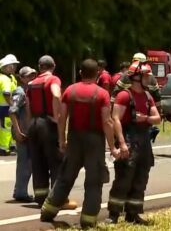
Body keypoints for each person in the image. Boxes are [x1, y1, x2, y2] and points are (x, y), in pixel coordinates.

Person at [40, 59, 115, 229]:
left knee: (65, 177)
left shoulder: (70, 90)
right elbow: (107, 122)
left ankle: (48, 212)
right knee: (94, 181)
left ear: (80, 72)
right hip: (95, 141)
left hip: (74, 139)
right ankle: (88, 221)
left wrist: (61, 139)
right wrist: (112, 146)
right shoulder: (102, 94)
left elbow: (61, 117)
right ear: (97, 74)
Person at [106, 61, 161, 225]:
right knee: (123, 179)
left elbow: (157, 118)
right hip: (129, 138)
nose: (149, 78)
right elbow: (115, 119)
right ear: (136, 77)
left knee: (141, 179)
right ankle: (113, 214)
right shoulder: (124, 95)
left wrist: (145, 118)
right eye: (146, 75)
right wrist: (121, 143)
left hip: (144, 140)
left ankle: (133, 214)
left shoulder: (147, 96)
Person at [26, 55, 77, 209]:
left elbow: (28, 105)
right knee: (56, 162)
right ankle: (58, 199)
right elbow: (56, 94)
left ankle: (41, 197)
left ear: (39, 67)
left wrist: (30, 123)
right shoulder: (53, 80)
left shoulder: (31, 83)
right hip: (47, 124)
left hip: (34, 124)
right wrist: (57, 117)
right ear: (53, 66)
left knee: (38, 161)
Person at [10, 66, 37, 202]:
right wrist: (18, 131)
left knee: (29, 163)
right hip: (22, 133)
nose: (31, 78)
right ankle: (20, 192)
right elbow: (12, 111)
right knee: (24, 164)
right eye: (28, 76)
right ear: (21, 78)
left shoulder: (30, 91)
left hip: (28, 132)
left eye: (33, 75)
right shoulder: (19, 92)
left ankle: (20, 190)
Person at [0, 54, 18, 156]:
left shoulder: (10, 77)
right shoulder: (5, 79)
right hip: (5, 107)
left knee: (10, 126)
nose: (14, 67)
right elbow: (6, 94)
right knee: (6, 128)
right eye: (13, 65)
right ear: (7, 66)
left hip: (6, 106)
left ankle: (11, 146)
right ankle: (3, 148)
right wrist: (13, 105)